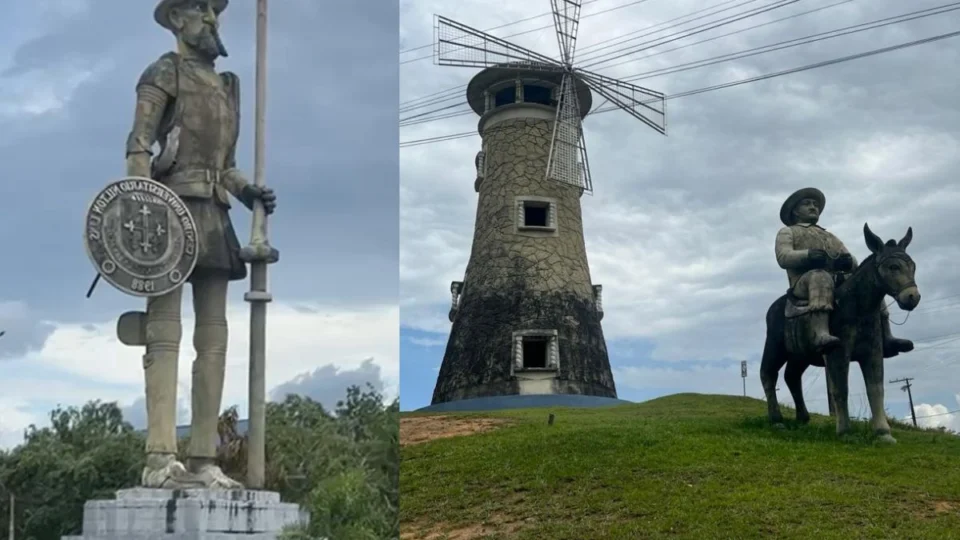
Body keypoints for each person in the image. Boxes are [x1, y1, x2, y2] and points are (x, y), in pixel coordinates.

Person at [124, 0, 276, 488]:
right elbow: (139, 146)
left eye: (215, 9)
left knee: (213, 338)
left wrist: (248, 191)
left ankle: (204, 458)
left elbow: (225, 165)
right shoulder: (163, 72)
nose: (211, 18)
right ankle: (159, 458)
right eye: (200, 7)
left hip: (214, 215)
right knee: (163, 333)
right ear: (177, 18)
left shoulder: (227, 86)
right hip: (166, 211)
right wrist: (141, 208)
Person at [775, 187, 910, 356]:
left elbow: (851, 260)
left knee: (870, 282)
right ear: (795, 211)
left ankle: (886, 335)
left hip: (836, 280)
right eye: (807, 204)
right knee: (820, 277)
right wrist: (808, 255)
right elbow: (784, 257)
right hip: (805, 282)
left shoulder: (829, 236)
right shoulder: (788, 232)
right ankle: (820, 332)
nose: (813, 207)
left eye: (815, 204)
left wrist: (848, 261)